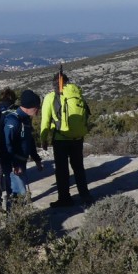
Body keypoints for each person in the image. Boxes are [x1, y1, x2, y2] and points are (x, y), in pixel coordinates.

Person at [40, 72, 93, 207]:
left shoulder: (50, 97)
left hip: (61, 138)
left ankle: (64, 198)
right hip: (77, 138)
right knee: (78, 167)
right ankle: (85, 196)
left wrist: (43, 139)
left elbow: (45, 121)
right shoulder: (76, 95)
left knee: (62, 170)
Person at [2, 90, 43, 205]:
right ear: (29, 106)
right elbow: (7, 144)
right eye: (37, 107)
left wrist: (37, 159)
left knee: (19, 193)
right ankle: (14, 221)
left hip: (21, 162)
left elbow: (29, 141)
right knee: (18, 193)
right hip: (14, 164)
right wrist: (15, 164)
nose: (38, 110)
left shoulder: (26, 120)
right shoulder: (13, 120)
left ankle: (17, 219)